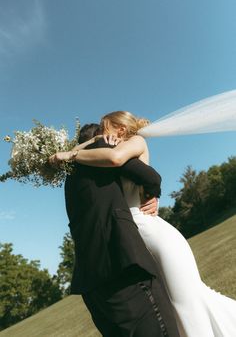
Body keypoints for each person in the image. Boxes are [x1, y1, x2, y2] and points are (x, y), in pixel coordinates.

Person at [53, 111, 236, 337]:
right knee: (170, 305)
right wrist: (85, 145)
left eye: (104, 126)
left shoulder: (134, 142)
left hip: (154, 232)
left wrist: (69, 155)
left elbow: (119, 160)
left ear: (120, 129)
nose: (100, 132)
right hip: (137, 236)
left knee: (186, 302)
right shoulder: (106, 148)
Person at [50, 123, 180, 337]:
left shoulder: (70, 176)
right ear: (99, 140)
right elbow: (152, 178)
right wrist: (150, 194)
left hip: (91, 285)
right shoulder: (99, 153)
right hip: (122, 269)